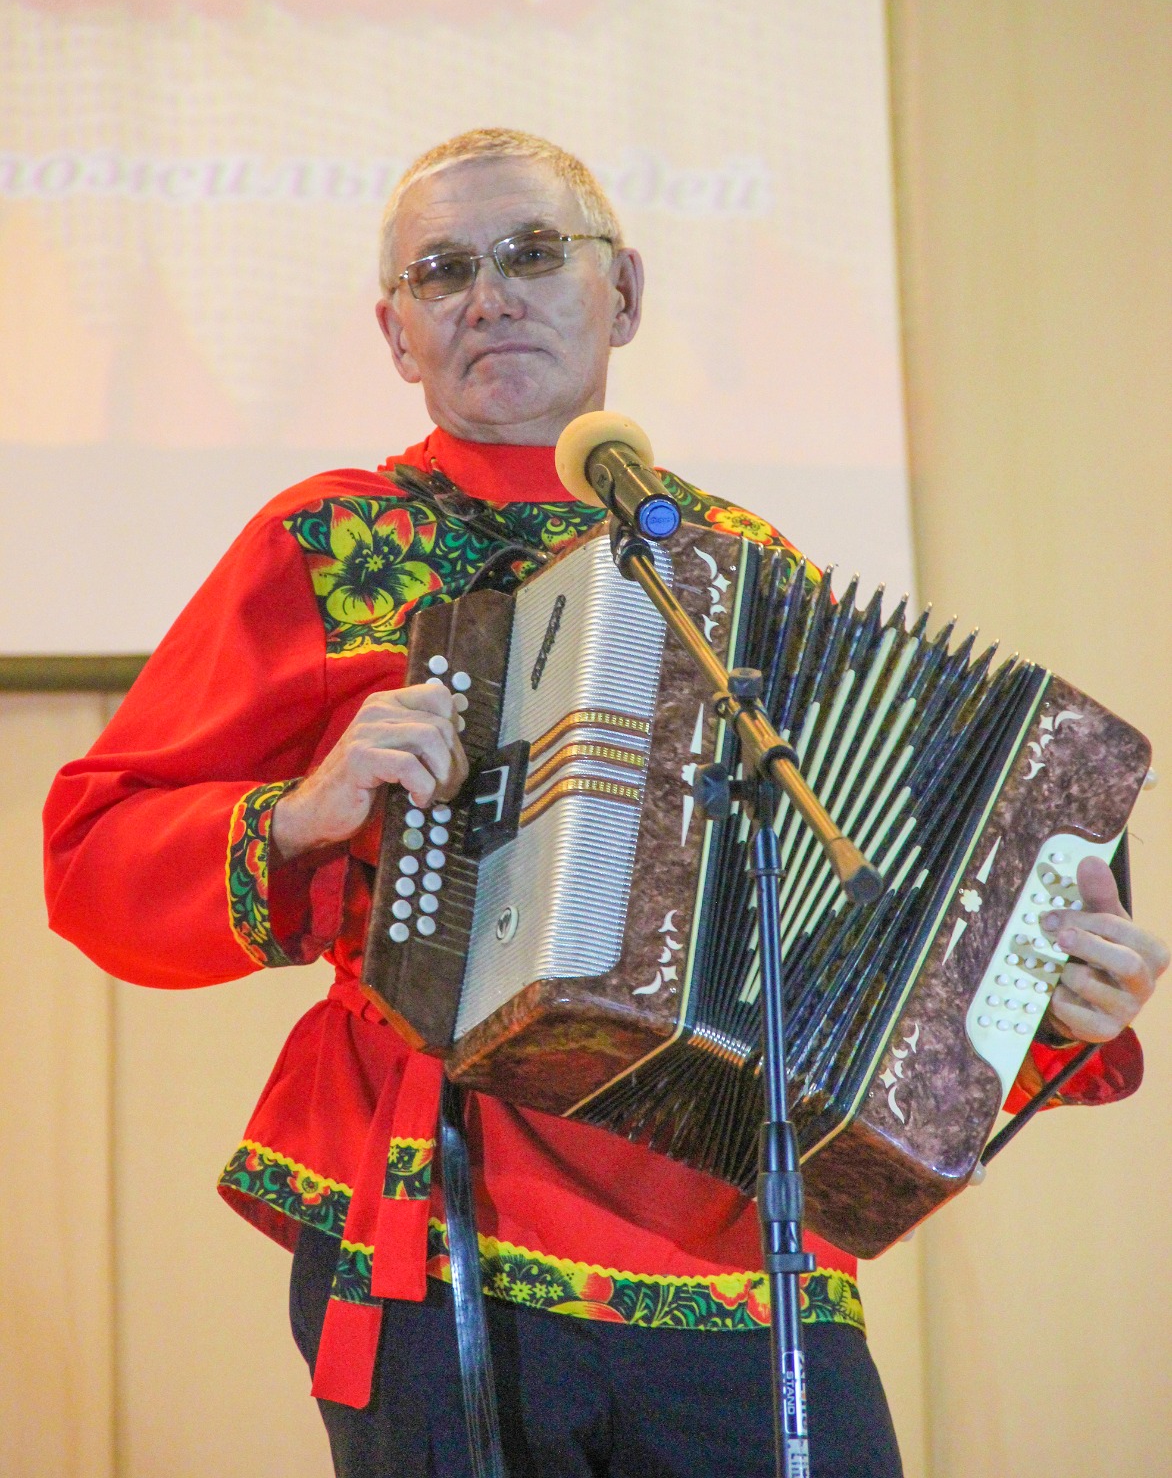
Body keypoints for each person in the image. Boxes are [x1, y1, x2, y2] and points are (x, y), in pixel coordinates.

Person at [43, 129, 1168, 1478]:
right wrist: (299, 814)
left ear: (623, 292)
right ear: (396, 334)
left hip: (743, 1236)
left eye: (531, 253)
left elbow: (871, 916)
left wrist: (1055, 993)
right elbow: (93, 849)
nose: (487, 297)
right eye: (441, 272)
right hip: (446, 1218)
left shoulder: (751, 570)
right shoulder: (333, 544)